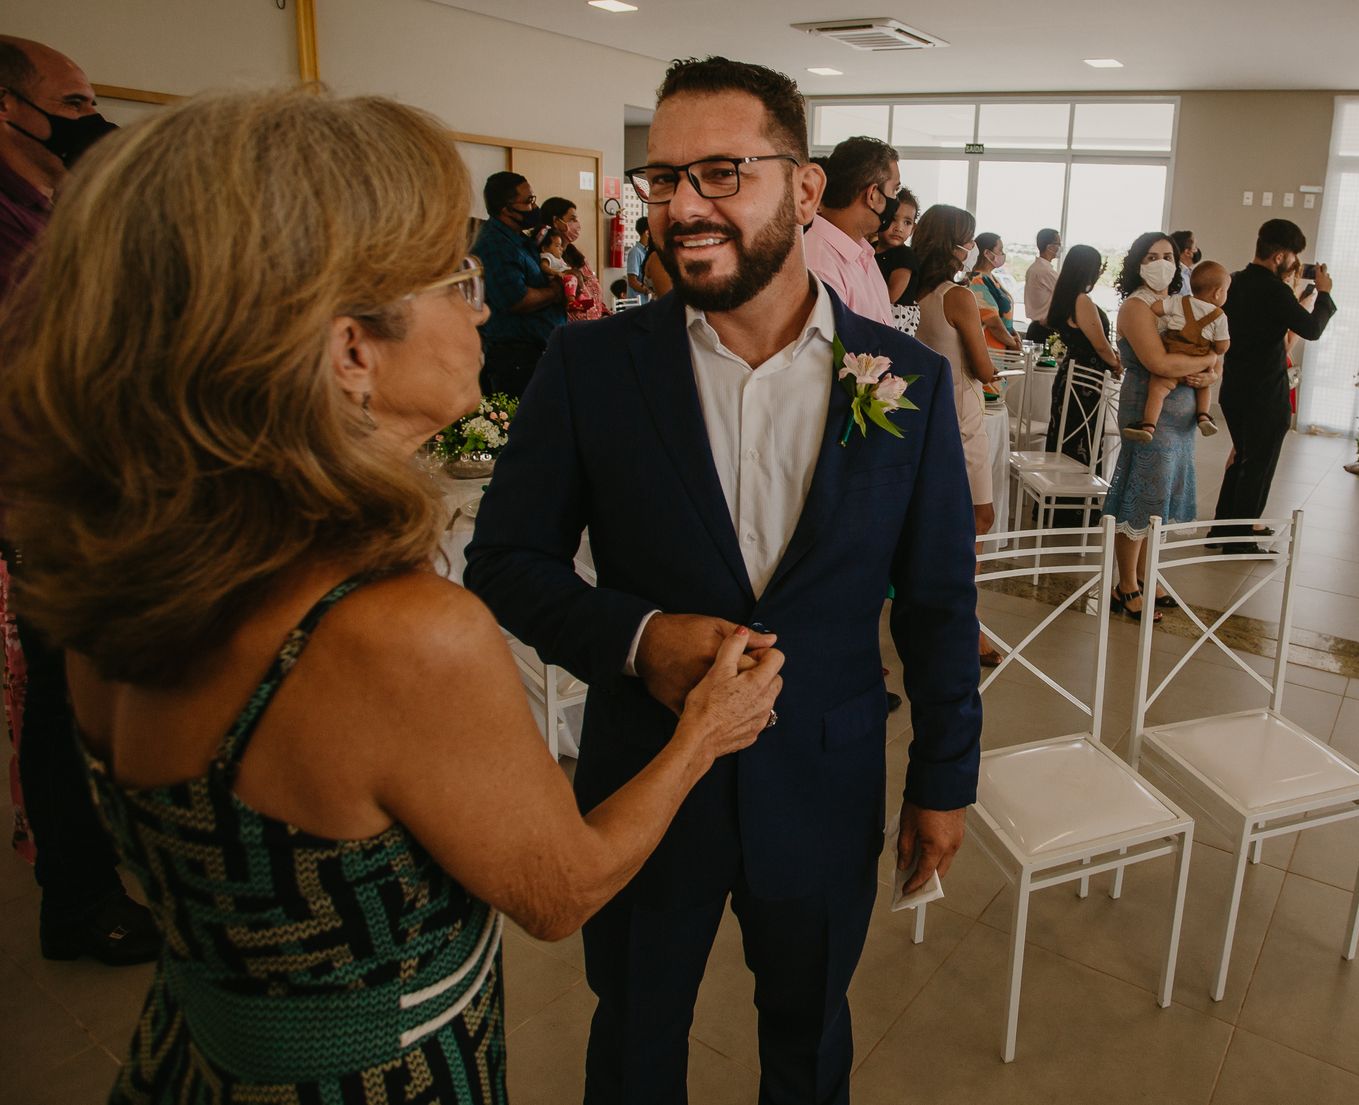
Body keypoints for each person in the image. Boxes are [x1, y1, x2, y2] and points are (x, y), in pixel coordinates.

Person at [0, 85, 785, 1104]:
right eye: (456, 281)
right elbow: (561, 890)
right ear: (351, 350)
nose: (484, 307)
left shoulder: (113, 566)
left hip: (190, 1060)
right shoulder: (396, 632)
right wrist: (704, 732)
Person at [465, 57, 982, 1105]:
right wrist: (638, 638)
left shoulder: (908, 383)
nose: (683, 207)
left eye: (721, 173)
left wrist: (943, 776)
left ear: (804, 188)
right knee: (635, 1031)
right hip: (645, 776)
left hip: (825, 778)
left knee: (808, 1035)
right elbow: (505, 562)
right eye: (664, 179)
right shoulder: (590, 366)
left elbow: (937, 602)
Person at [0, 34, 159, 969]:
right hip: (45, 502)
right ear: (8, 109)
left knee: (110, 693)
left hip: (110, 491)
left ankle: (123, 857)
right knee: (61, 710)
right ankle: (79, 895)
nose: (91, 121)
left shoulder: (59, 211)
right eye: (72, 105)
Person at [1102, 233, 1220, 619]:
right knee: (1143, 494)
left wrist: (1211, 373)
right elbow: (1160, 364)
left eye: (1168, 256)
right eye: (1152, 257)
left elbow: (1210, 348)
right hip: (1147, 413)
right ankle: (1126, 585)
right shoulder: (1135, 307)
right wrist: (1205, 364)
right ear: (1137, 264)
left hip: (1181, 417)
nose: (1162, 263)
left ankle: (1145, 574)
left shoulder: (1183, 305)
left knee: (1162, 498)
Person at [909, 204, 1003, 666]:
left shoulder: (909, 290)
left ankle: (938, 611)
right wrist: (994, 371)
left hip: (921, 418)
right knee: (978, 518)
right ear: (954, 245)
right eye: (968, 240)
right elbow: (982, 367)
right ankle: (967, 621)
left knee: (934, 518)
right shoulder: (957, 296)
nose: (972, 248)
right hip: (961, 418)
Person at [1210, 218, 1335, 552]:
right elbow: (1311, 329)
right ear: (1280, 256)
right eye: (1293, 256)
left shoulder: (1234, 281)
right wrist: (1324, 294)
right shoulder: (1275, 291)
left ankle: (1221, 529)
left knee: (1242, 458)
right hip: (1265, 393)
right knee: (1258, 467)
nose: (1295, 263)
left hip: (1233, 389)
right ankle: (1240, 541)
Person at [473, 170, 564, 398]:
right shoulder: (494, 244)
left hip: (538, 350)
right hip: (515, 358)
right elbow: (516, 299)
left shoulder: (520, 239)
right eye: (529, 200)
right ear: (507, 208)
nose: (535, 207)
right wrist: (555, 291)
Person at [1124, 258, 1230, 442]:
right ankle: (1204, 416)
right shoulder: (1219, 316)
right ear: (1218, 293)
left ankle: (1148, 425)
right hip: (1197, 368)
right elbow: (1222, 347)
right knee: (1204, 386)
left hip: (1174, 359)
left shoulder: (1179, 301)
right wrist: (1212, 358)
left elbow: (1156, 308)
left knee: (1157, 389)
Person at [801, 134, 899, 325]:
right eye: (895, 190)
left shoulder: (863, 253)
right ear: (872, 195)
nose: (896, 200)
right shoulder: (821, 266)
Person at [1042, 244, 1122, 468]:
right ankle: (1076, 489)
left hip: (1071, 374)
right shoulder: (1081, 300)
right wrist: (1117, 364)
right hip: (1084, 379)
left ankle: (1060, 487)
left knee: (1066, 435)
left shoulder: (1064, 298)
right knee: (1082, 437)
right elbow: (1101, 346)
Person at [539, 195, 609, 322]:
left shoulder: (576, 256)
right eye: (572, 219)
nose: (578, 225)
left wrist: (604, 314)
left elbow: (594, 290)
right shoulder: (548, 260)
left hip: (596, 324)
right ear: (556, 221)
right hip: (570, 328)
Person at [873, 185, 920, 332]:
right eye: (893, 219)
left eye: (907, 222)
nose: (899, 228)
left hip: (894, 320)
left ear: (913, 229)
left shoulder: (905, 255)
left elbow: (891, 296)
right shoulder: (869, 249)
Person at [967, 232, 1020, 351]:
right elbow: (993, 323)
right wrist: (1013, 343)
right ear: (987, 254)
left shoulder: (990, 278)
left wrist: (1014, 335)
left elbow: (1004, 318)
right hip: (990, 350)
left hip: (1002, 348)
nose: (1003, 254)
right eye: (1000, 250)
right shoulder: (977, 280)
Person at [1023, 227, 1061, 343]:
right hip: (1044, 329)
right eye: (1058, 244)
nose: (1060, 248)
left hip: (1037, 327)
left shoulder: (1036, 268)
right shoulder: (1044, 271)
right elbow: (1067, 291)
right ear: (1050, 247)